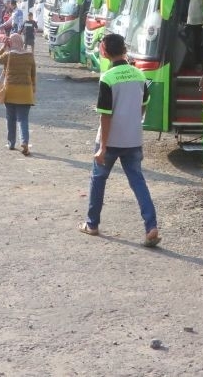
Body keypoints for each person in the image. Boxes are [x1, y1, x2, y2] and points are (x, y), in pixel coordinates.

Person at [81, 33, 160, 247]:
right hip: (133, 138)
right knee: (138, 181)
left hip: (111, 140)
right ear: (124, 49)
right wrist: (133, 119)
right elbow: (144, 104)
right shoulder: (139, 75)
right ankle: (151, 226)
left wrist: (103, 147)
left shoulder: (107, 78)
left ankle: (92, 224)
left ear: (105, 52)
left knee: (98, 180)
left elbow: (105, 115)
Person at [0, 32, 37, 154]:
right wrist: (33, 89)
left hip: (10, 91)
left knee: (10, 118)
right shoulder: (29, 55)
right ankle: (24, 142)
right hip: (25, 92)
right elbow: (33, 74)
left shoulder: (8, 55)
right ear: (22, 42)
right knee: (23, 119)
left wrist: (3, 47)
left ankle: (11, 143)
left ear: (11, 42)